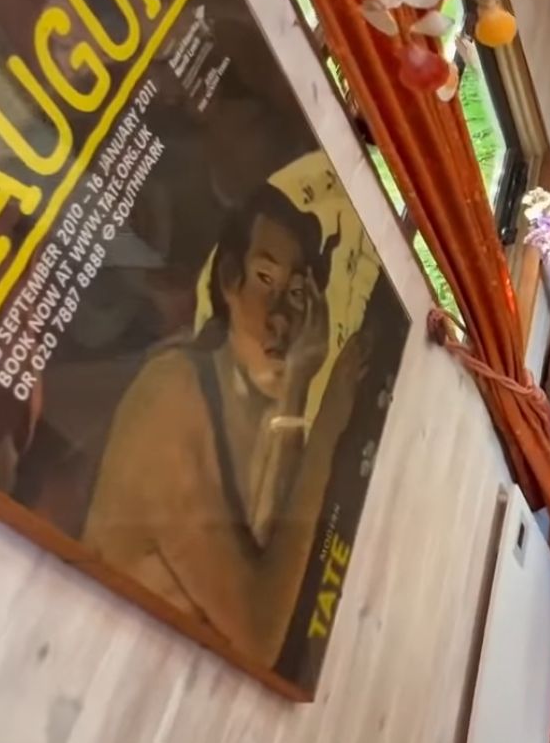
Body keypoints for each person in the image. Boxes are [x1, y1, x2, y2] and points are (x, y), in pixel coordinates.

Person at [85, 183, 366, 665]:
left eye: (297, 293)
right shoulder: (170, 399)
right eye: (264, 279)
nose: (281, 317)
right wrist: (326, 432)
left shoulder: (258, 398)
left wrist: (299, 387)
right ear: (229, 281)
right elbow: (261, 635)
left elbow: (273, 542)